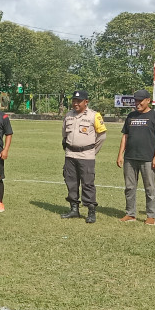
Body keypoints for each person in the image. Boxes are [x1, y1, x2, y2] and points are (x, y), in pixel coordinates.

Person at [117, 89, 155, 224]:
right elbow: (125, 136)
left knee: (149, 188)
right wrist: (120, 154)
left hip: (148, 158)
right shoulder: (131, 116)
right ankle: (130, 213)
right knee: (129, 187)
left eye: (140, 101)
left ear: (148, 100)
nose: (137, 103)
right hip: (130, 158)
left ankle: (151, 216)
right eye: (136, 101)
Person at [60, 90, 107, 223]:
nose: (75, 104)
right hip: (70, 154)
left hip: (86, 155)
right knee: (71, 182)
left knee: (88, 184)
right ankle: (74, 209)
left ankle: (91, 211)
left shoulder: (94, 116)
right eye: (74, 101)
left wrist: (92, 151)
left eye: (78, 101)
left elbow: (102, 136)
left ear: (86, 102)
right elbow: (64, 134)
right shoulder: (68, 116)